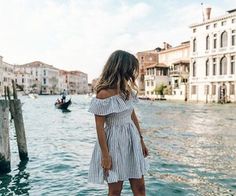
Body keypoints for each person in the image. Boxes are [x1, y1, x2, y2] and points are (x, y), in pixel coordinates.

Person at [88, 50, 149, 195]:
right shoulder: (103, 94)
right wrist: (105, 155)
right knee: (115, 190)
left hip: (132, 140)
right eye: (130, 68)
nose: (132, 72)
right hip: (114, 143)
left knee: (140, 187)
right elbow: (99, 127)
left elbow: (132, 116)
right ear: (121, 68)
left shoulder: (126, 90)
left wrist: (141, 141)